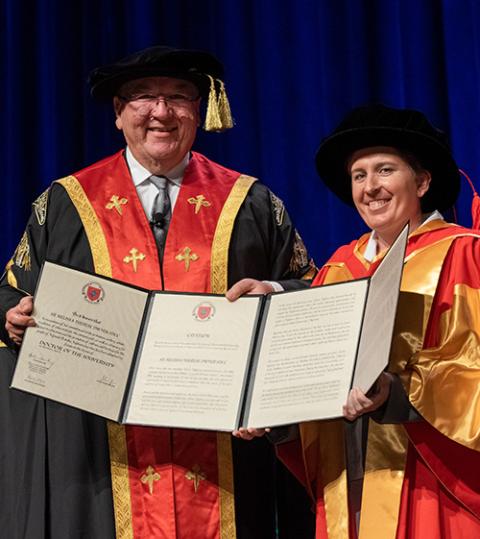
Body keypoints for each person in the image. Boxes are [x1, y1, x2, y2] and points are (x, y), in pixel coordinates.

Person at [0, 46, 316, 539]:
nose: (161, 112)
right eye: (144, 97)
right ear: (119, 112)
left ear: (200, 110)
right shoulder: (64, 202)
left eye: (178, 97)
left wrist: (273, 293)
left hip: (227, 454)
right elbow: (11, 293)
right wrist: (13, 318)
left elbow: (310, 292)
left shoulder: (252, 202)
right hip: (101, 457)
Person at [278, 104, 480, 538]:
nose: (371, 188)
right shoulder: (336, 268)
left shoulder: (468, 254)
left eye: (385, 170)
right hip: (348, 484)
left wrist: (400, 393)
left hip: (436, 490)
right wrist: (273, 412)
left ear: (423, 182)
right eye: (359, 175)